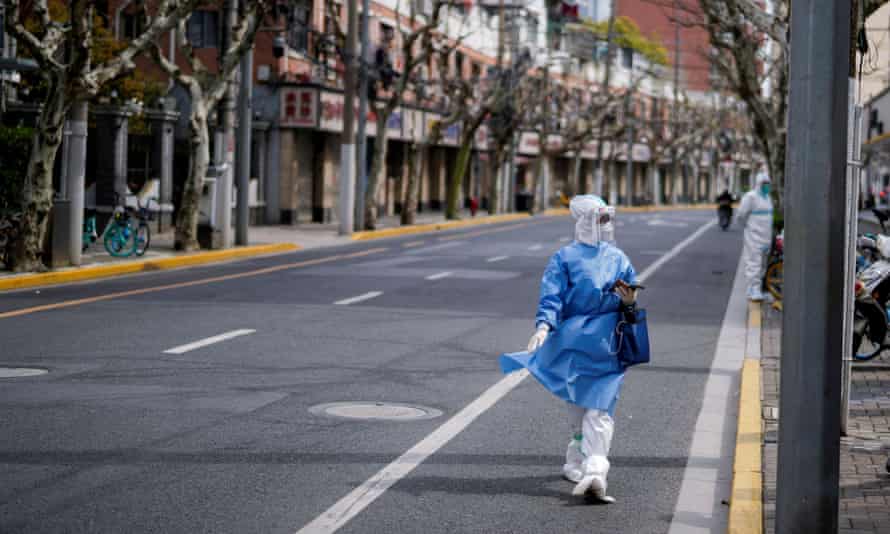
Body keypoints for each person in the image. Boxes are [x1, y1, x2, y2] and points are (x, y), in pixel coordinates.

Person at [500, 195, 638, 502]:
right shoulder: (564, 258)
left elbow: (632, 291)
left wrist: (629, 301)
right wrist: (543, 326)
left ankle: (595, 471)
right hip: (573, 342)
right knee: (578, 404)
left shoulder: (618, 257)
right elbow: (552, 297)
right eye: (599, 219)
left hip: (608, 345)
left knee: (600, 408)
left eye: (607, 219)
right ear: (586, 220)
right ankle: (575, 459)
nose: (605, 225)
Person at [736, 170, 774, 301]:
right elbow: (741, 215)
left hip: (766, 237)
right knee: (754, 263)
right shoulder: (750, 197)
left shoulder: (768, 198)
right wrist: (748, 228)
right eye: (764, 183)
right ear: (759, 184)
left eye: (768, 183)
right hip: (753, 236)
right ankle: (753, 289)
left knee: (763, 264)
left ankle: (757, 288)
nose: (767, 186)